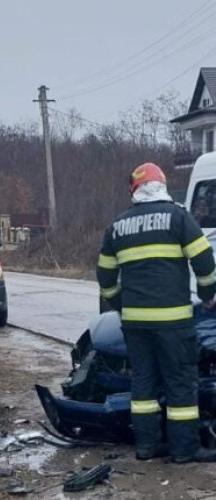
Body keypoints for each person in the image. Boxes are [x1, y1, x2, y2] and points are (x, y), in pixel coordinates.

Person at [97, 162, 216, 463]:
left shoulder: (117, 226)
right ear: (162, 186)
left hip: (136, 324)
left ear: (134, 190)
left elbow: (105, 277)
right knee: (179, 384)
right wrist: (207, 296)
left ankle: (146, 447)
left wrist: (120, 306)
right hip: (173, 322)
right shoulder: (179, 218)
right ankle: (184, 450)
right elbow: (204, 262)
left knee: (143, 385)